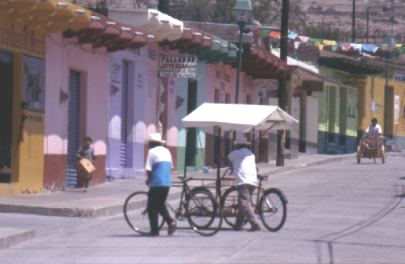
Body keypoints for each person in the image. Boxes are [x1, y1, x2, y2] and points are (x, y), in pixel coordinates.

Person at [145, 133, 177, 236]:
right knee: (160, 205)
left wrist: (149, 180)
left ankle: (154, 231)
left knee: (151, 207)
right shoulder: (167, 150)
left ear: (151, 143)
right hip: (166, 183)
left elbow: (148, 169)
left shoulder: (151, 151)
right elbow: (170, 167)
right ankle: (170, 222)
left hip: (157, 182)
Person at [228, 141, 261, 231]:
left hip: (243, 180)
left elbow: (229, 158)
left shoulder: (235, 153)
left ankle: (255, 224)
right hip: (253, 180)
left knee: (244, 203)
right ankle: (238, 225)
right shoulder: (251, 153)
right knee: (244, 202)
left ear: (238, 146)